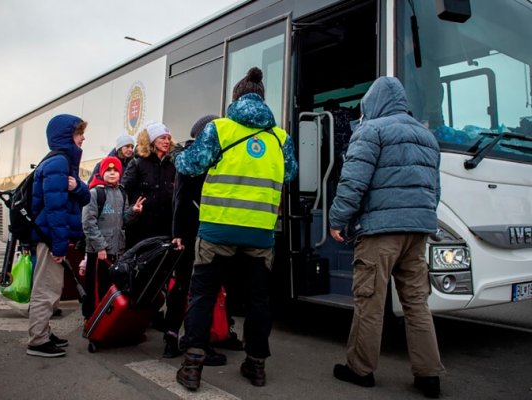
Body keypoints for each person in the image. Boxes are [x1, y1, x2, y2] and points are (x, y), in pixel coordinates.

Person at [174, 67, 298, 390]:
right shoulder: (280, 137)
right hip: (259, 233)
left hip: (216, 231)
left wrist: (179, 152)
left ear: (236, 98)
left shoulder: (219, 129)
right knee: (259, 300)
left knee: (202, 294)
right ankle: (256, 365)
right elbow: (290, 174)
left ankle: (192, 367)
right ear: (262, 99)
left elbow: (189, 165)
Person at [327, 76, 445, 398]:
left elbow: (353, 182)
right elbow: (434, 190)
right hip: (417, 231)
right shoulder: (427, 136)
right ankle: (429, 375)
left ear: (373, 103)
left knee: (370, 301)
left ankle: (360, 369)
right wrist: (419, 218)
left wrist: (337, 219)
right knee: (417, 303)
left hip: (380, 233)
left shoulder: (371, 130)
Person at [164, 114, 240, 365]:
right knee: (189, 285)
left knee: (214, 285)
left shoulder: (213, 154)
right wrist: (178, 234)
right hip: (191, 232)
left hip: (210, 230)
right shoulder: (191, 157)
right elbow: (180, 199)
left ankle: (217, 333)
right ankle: (174, 337)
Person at [26, 114, 91, 358]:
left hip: (53, 237)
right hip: (50, 238)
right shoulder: (58, 163)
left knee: (54, 287)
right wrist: (59, 246)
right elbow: (55, 210)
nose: (83, 137)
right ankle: (38, 340)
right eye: (79, 133)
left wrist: (77, 187)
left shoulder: (64, 162)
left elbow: (84, 197)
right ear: (66, 136)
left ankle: (44, 331)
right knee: (46, 289)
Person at [81, 156, 144, 319]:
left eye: (115, 170)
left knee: (110, 288)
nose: (112, 173)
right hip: (99, 253)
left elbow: (124, 219)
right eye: (108, 170)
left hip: (117, 251)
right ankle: (92, 321)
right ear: (102, 172)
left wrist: (133, 212)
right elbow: (88, 223)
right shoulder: (95, 193)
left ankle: (107, 322)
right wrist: (100, 247)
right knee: (95, 290)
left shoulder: (122, 192)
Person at [121, 121, 176, 249]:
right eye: (162, 138)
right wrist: (131, 210)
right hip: (141, 226)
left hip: (165, 226)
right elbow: (123, 192)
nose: (167, 141)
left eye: (168, 138)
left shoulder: (172, 164)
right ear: (151, 140)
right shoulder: (137, 163)